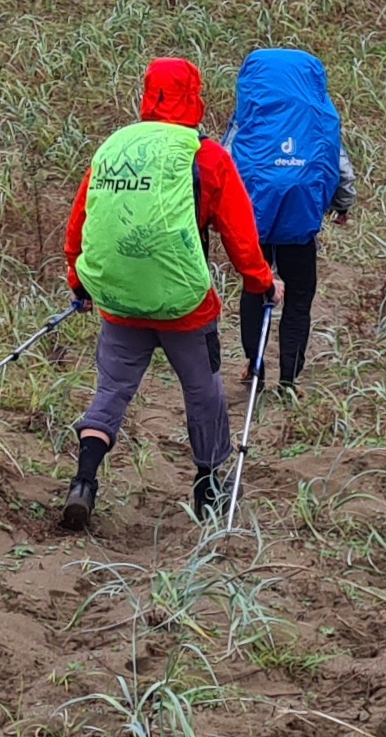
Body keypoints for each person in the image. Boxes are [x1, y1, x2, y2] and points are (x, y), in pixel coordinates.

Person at [58, 56, 276, 532]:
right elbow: (240, 235)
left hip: (119, 299)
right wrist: (261, 281)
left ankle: (84, 482)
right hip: (184, 305)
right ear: (195, 96)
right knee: (203, 391)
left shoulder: (115, 148)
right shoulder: (206, 156)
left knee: (111, 391)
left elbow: (81, 222)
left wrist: (80, 281)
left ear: (147, 94)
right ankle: (208, 489)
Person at [227, 46, 348, 397]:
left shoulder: (249, 115)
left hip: (255, 220)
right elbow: (338, 161)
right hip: (300, 220)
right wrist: (342, 204)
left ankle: (255, 368)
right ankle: (289, 379)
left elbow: (227, 158)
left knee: (255, 288)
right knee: (299, 296)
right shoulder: (318, 115)